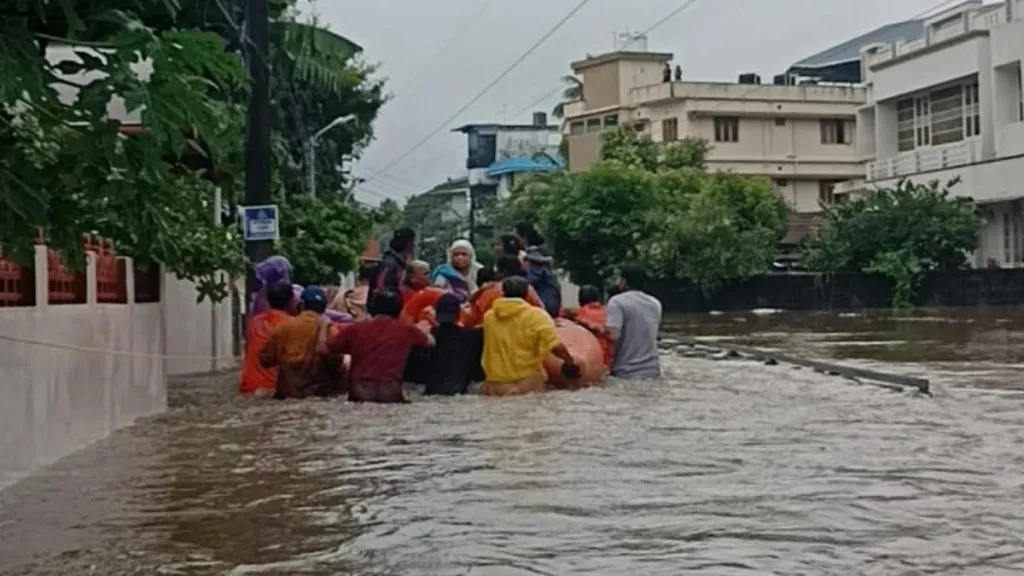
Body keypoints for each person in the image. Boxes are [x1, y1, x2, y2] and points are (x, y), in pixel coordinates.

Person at [327, 290, 435, 403]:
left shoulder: (355, 329)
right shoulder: (407, 330)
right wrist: (423, 328)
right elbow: (431, 342)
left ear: (373, 308)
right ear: (399, 310)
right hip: (389, 391)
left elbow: (331, 347)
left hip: (360, 391)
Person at [481, 276, 579, 396]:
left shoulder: (489, 317)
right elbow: (556, 346)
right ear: (527, 293)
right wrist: (570, 361)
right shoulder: (537, 316)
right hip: (526, 385)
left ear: (502, 293)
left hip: (495, 386)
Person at [259, 285, 342, 399]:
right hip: (318, 395)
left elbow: (265, 360)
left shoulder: (284, 327)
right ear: (324, 307)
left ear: (301, 305)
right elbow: (337, 362)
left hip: (287, 395)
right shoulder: (329, 329)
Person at [605, 266, 662, 380]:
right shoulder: (655, 303)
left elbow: (613, 335)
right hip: (653, 371)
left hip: (626, 372)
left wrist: (594, 328)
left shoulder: (616, 301)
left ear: (624, 282)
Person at [240, 283, 295, 397]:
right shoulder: (293, 325)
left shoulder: (253, 323)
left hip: (249, 387)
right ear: (291, 301)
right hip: (274, 390)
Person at [423, 293, 485, 395]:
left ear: (437, 314)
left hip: (431, 392)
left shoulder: (428, 337)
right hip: (460, 393)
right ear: (458, 315)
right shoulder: (474, 336)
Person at [465, 254, 544, 327]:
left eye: (496, 269)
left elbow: (474, 319)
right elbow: (541, 312)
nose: (494, 272)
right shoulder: (529, 289)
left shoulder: (489, 291)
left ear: (503, 271)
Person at [514, 222, 561, 317]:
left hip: (545, 304)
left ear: (524, 239)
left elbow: (529, 281)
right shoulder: (540, 254)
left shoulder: (534, 257)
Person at [568, 285, 613, 370]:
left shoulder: (580, 313)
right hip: (609, 360)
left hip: (591, 359)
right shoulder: (609, 312)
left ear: (580, 299)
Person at [370, 228, 416, 304]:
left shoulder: (399, 264)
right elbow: (380, 288)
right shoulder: (389, 263)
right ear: (409, 245)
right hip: (387, 309)